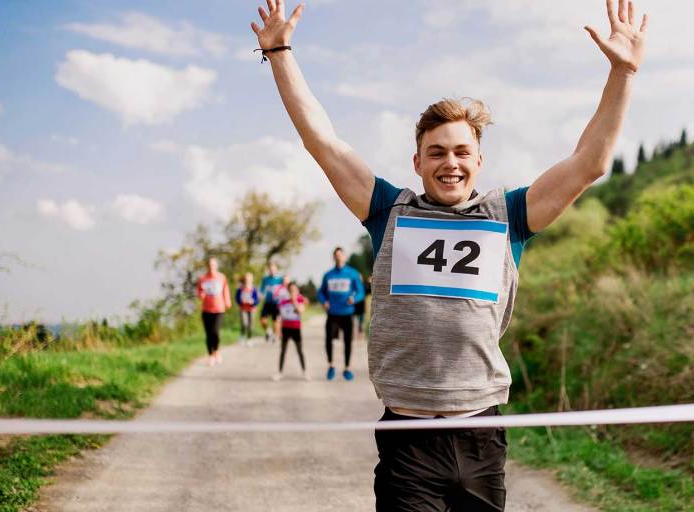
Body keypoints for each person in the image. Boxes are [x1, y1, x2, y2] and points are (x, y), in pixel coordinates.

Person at [252, 0, 647, 508]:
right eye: (436, 152)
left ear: (479, 161)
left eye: (462, 152)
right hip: (408, 439)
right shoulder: (387, 211)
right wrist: (281, 52)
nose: (450, 163)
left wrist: (624, 71)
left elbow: (589, 163)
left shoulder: (510, 216)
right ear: (417, 162)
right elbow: (321, 140)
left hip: (481, 434)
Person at [317, 247, 364, 381]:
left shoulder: (352, 273)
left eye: (340, 255)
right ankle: (331, 365)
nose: (338, 257)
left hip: (347, 313)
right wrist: (324, 301)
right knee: (328, 340)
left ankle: (347, 368)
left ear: (344, 257)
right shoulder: (328, 275)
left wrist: (354, 299)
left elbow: (360, 292)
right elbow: (320, 292)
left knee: (348, 341)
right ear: (334, 257)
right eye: (336, 255)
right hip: (332, 313)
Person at [196, 257, 231, 366]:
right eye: (210, 265)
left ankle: (217, 351)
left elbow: (225, 289)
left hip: (219, 309)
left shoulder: (221, 277)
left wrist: (227, 301)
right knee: (208, 334)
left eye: (213, 265)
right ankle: (211, 355)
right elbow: (199, 292)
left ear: (216, 266)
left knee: (215, 332)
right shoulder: (202, 279)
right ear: (207, 266)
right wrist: (201, 295)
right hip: (206, 309)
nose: (211, 267)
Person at [273, 281, 308, 381]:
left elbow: (301, 311)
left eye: (294, 289)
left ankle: (304, 371)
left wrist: (295, 301)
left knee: (300, 350)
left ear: (297, 290)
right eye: (291, 290)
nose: (292, 291)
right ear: (288, 291)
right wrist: (278, 331)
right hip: (285, 328)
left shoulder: (301, 300)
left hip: (296, 328)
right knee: (283, 351)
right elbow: (279, 318)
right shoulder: (283, 302)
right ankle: (279, 372)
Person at [258, 262, 286, 343]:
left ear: (276, 270)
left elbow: (284, 289)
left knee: (276, 322)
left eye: (273, 269)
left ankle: (274, 336)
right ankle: (268, 331)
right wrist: (259, 297)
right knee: (263, 320)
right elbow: (261, 290)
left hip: (277, 303)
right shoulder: (265, 279)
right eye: (270, 269)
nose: (272, 271)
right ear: (268, 270)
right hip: (267, 302)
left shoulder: (280, 279)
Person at [235, 272, 260, 346]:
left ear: (251, 280)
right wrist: (240, 302)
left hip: (252, 309)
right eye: (246, 279)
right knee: (244, 323)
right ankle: (242, 336)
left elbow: (257, 299)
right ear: (244, 279)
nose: (248, 280)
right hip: (243, 309)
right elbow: (237, 298)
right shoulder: (240, 288)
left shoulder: (254, 288)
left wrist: (253, 302)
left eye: (249, 279)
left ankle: (249, 339)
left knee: (250, 325)